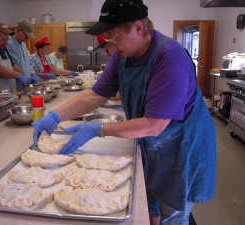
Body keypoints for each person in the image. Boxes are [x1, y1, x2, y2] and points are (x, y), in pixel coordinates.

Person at [32, 1, 216, 225]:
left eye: (114, 36)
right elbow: (94, 96)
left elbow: (154, 125)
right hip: (150, 140)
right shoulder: (123, 55)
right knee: (151, 199)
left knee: (174, 212)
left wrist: (98, 129)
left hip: (182, 143)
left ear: (138, 28)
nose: (110, 44)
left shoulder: (170, 57)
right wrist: (54, 116)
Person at [6, 19, 43, 88]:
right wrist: (24, 74)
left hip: (26, 83)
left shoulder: (23, 45)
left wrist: (32, 73)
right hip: (17, 84)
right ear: (18, 30)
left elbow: (28, 62)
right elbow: (12, 65)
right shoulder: (8, 44)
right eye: (26, 35)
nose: (27, 39)